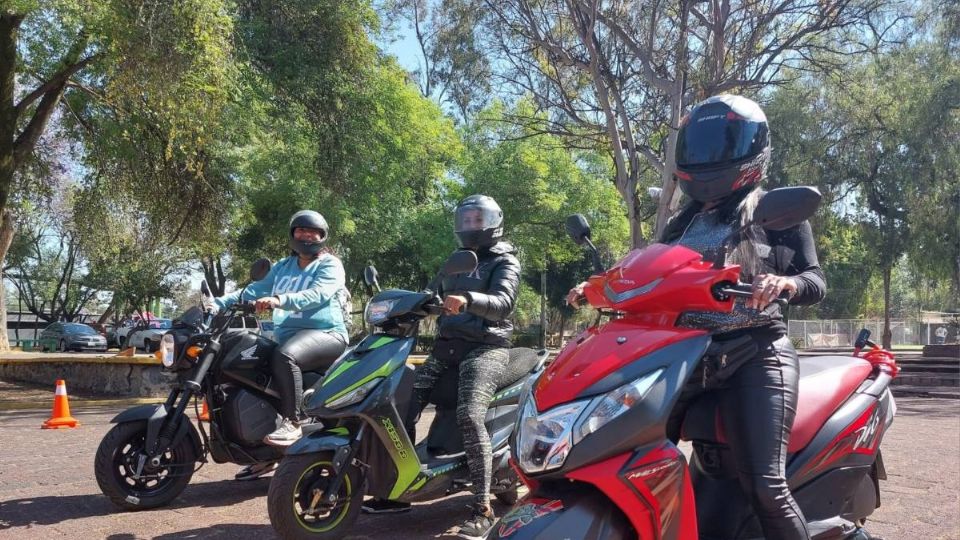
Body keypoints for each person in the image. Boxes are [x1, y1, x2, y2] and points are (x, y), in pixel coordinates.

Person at [568, 95, 826, 540]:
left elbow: (816, 281)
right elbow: (647, 274)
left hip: (756, 354)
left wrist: (785, 285)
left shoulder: (775, 211)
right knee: (619, 455)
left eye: (720, 144)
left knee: (766, 486)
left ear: (752, 148)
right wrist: (599, 286)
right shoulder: (681, 224)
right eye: (700, 145)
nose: (709, 157)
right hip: (686, 357)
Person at [362, 195, 521, 540]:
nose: (471, 226)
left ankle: (482, 508)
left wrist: (469, 299)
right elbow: (430, 294)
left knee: (468, 415)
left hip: (485, 348)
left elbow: (504, 303)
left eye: (478, 220)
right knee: (399, 401)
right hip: (447, 348)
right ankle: (395, 488)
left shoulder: (504, 260)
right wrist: (405, 305)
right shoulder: (454, 262)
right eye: (466, 220)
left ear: (494, 222)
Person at [210, 210, 349, 479]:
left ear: (322, 236)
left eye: (313, 232)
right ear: (292, 234)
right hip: (289, 336)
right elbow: (251, 291)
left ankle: (293, 422)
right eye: (300, 230)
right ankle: (264, 452)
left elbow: (317, 294)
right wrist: (218, 302)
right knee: (250, 368)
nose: (307, 235)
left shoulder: (330, 265)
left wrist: (279, 300)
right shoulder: (283, 267)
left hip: (327, 334)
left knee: (285, 356)